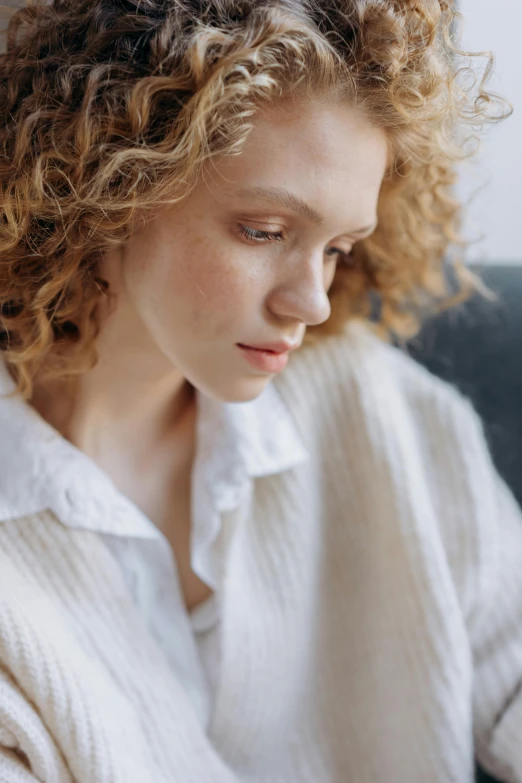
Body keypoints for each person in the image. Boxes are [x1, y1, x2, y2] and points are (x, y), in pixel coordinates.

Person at [0, 0, 520, 781]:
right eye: (265, 230)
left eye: (339, 247)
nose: (310, 302)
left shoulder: (381, 412)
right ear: (107, 182)